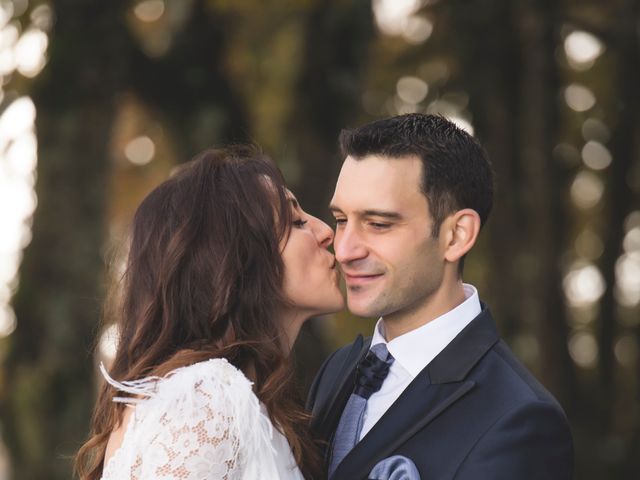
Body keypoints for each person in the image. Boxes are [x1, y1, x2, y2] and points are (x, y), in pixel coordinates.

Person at [307, 114, 574, 479]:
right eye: (341, 220)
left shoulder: (519, 418)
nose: (345, 250)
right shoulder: (338, 369)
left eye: (379, 224)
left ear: (456, 236)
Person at [75, 145, 344, 480]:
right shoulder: (206, 396)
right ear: (235, 258)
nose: (326, 231)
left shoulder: (232, 398)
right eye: (296, 221)